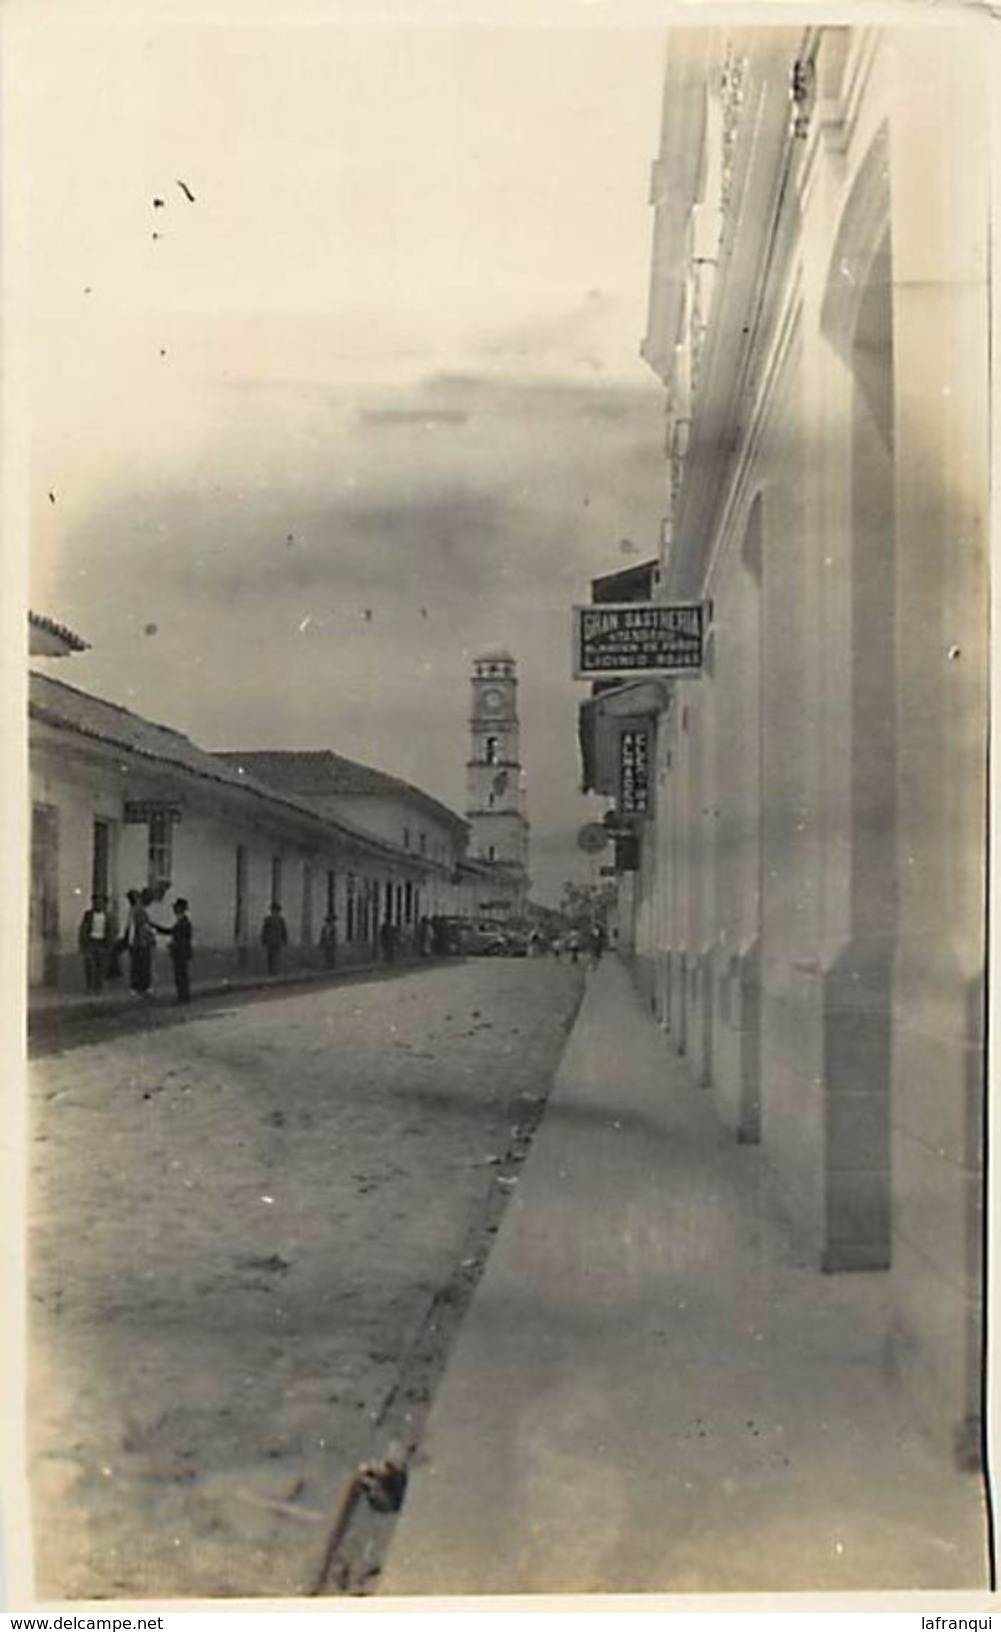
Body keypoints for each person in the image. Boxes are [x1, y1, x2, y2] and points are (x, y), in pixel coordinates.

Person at [155, 897, 193, 1003]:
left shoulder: (184, 922)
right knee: (180, 975)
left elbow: (182, 939)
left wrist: (173, 945)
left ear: (181, 909)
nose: (175, 910)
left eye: (177, 908)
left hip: (181, 953)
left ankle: (183, 997)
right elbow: (171, 931)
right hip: (180, 953)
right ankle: (183, 996)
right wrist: (156, 927)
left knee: (181, 975)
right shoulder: (181, 921)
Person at [124, 888, 157, 995]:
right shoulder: (139, 910)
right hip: (139, 943)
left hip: (141, 942)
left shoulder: (137, 909)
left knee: (142, 966)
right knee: (140, 966)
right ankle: (139, 987)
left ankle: (141, 986)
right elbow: (137, 927)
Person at [77, 893, 113, 992]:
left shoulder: (107, 916)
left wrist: (109, 944)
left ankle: (98, 987)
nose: (98, 904)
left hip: (102, 942)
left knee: (101, 966)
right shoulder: (88, 915)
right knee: (90, 966)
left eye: (100, 902)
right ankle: (89, 986)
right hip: (91, 942)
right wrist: (83, 944)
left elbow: (110, 930)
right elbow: (83, 929)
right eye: (96, 902)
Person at [261, 902, 288, 975]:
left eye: (276, 911)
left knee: (273, 957)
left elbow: (283, 931)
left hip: (274, 941)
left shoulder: (279, 920)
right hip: (274, 941)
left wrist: (285, 940)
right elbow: (264, 931)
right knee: (273, 957)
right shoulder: (270, 920)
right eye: (274, 911)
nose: (275, 912)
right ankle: (273, 971)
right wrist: (285, 940)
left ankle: (273, 971)